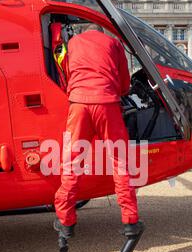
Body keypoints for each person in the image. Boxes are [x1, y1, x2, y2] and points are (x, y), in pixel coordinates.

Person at [54, 24, 143, 239]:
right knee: (120, 162)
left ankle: (66, 221)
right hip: (107, 104)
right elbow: (124, 84)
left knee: (72, 163)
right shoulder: (114, 44)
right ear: (102, 33)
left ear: (83, 31)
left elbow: (65, 74)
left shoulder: (73, 43)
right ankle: (130, 221)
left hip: (78, 105)